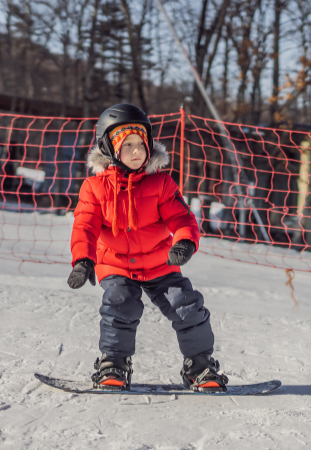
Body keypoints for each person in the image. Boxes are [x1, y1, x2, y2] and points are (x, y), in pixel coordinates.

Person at [66, 103, 228, 392]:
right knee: (120, 303)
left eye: (141, 143)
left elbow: (181, 217)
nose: (137, 150)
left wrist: (185, 241)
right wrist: (83, 260)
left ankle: (200, 366)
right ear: (109, 147)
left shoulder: (161, 183)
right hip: (116, 264)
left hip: (159, 264)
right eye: (127, 144)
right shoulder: (94, 188)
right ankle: (113, 364)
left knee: (187, 306)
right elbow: (85, 226)